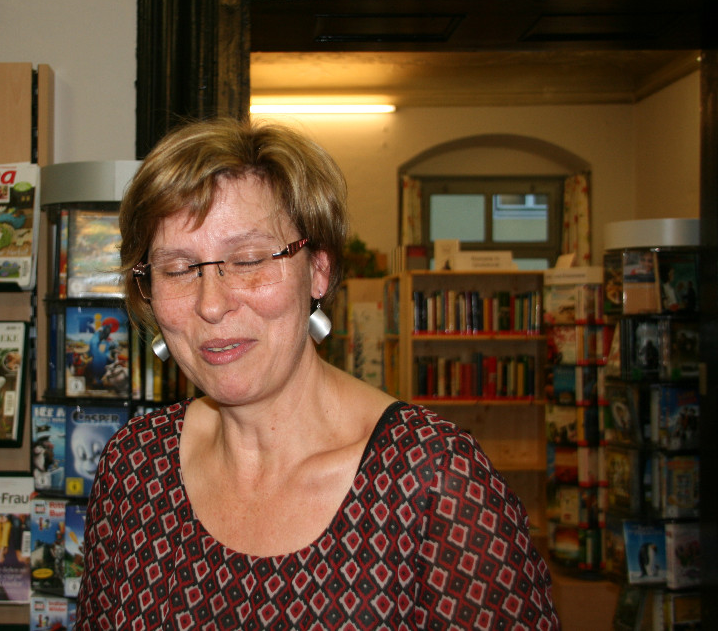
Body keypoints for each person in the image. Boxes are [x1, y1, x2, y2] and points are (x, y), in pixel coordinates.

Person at [75, 118, 559, 628]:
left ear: (318, 271)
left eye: (249, 260)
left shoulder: (435, 483)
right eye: (177, 268)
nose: (211, 305)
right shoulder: (134, 468)